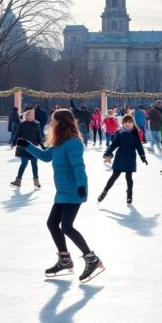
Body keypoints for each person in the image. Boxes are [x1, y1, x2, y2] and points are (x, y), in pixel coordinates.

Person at [24, 108, 104, 283]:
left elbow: (78, 166)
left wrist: (81, 185)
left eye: (54, 120)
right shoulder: (59, 142)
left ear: (62, 122)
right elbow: (46, 157)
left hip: (74, 190)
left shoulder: (73, 143)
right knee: (52, 223)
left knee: (67, 226)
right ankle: (65, 259)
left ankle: (91, 259)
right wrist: (27, 145)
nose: (51, 122)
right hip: (62, 191)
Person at [97, 114, 147, 206]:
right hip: (120, 157)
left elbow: (139, 146)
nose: (128, 124)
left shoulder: (135, 133)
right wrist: (107, 152)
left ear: (133, 123)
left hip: (130, 158)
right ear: (123, 123)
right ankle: (105, 191)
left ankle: (129, 195)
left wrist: (143, 156)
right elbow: (114, 144)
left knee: (129, 177)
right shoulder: (119, 133)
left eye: (130, 122)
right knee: (114, 176)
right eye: (126, 122)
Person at [10, 108, 44, 189]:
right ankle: (18, 181)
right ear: (26, 116)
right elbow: (17, 134)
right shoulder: (22, 124)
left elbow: (39, 136)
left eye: (32, 115)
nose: (30, 117)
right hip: (23, 147)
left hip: (34, 147)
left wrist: (42, 146)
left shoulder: (37, 124)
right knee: (24, 163)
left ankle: (36, 182)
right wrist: (14, 143)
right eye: (29, 115)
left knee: (34, 165)